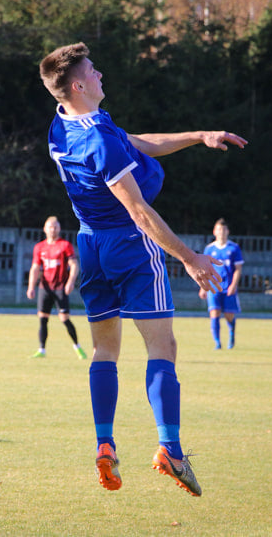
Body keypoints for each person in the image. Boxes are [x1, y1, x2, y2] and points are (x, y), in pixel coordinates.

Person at [39, 42, 247, 497]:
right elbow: (139, 213)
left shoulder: (63, 123)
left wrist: (198, 135)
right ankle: (169, 448)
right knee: (162, 346)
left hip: (90, 244)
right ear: (78, 84)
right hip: (130, 245)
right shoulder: (96, 138)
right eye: (93, 71)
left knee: (105, 351)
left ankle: (105, 444)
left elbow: (134, 142)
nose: (100, 75)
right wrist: (189, 258)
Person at [26, 216, 86, 359]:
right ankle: (42, 350)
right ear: (45, 229)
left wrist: (71, 281)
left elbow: (74, 265)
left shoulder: (65, 245)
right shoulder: (39, 247)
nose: (53, 229)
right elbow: (35, 267)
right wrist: (31, 286)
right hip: (44, 288)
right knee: (42, 319)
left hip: (60, 287)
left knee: (64, 318)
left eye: (55, 227)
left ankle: (77, 346)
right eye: (50, 227)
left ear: (59, 229)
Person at [200, 218, 244, 349]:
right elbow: (204, 270)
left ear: (228, 231)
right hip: (213, 288)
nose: (221, 232)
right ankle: (217, 343)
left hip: (228, 287)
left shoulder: (234, 248)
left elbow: (238, 269)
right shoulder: (209, 249)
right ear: (214, 231)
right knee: (214, 313)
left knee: (229, 315)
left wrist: (233, 285)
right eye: (219, 229)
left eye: (224, 229)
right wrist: (203, 287)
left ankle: (231, 333)